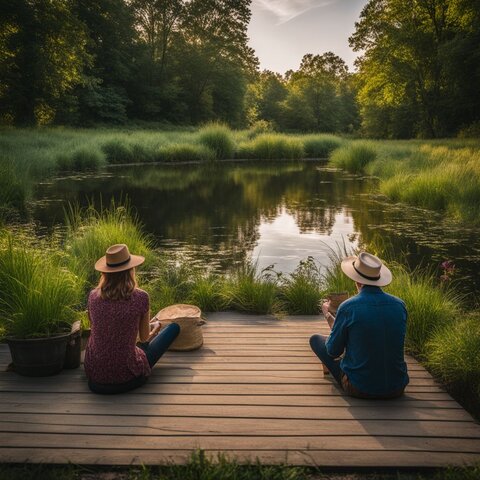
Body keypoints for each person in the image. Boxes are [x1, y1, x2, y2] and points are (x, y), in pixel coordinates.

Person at [310, 252, 409, 399]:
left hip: (360, 387)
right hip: (397, 387)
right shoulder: (400, 305)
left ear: (357, 281)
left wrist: (326, 313)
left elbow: (333, 351)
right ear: (379, 278)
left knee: (316, 340)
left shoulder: (348, 307)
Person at [84, 244, 180, 394]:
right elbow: (143, 338)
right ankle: (166, 327)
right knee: (173, 328)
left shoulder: (93, 296)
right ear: (130, 270)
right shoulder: (141, 297)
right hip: (128, 377)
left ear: (105, 273)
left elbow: (97, 326)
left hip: (95, 375)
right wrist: (155, 327)